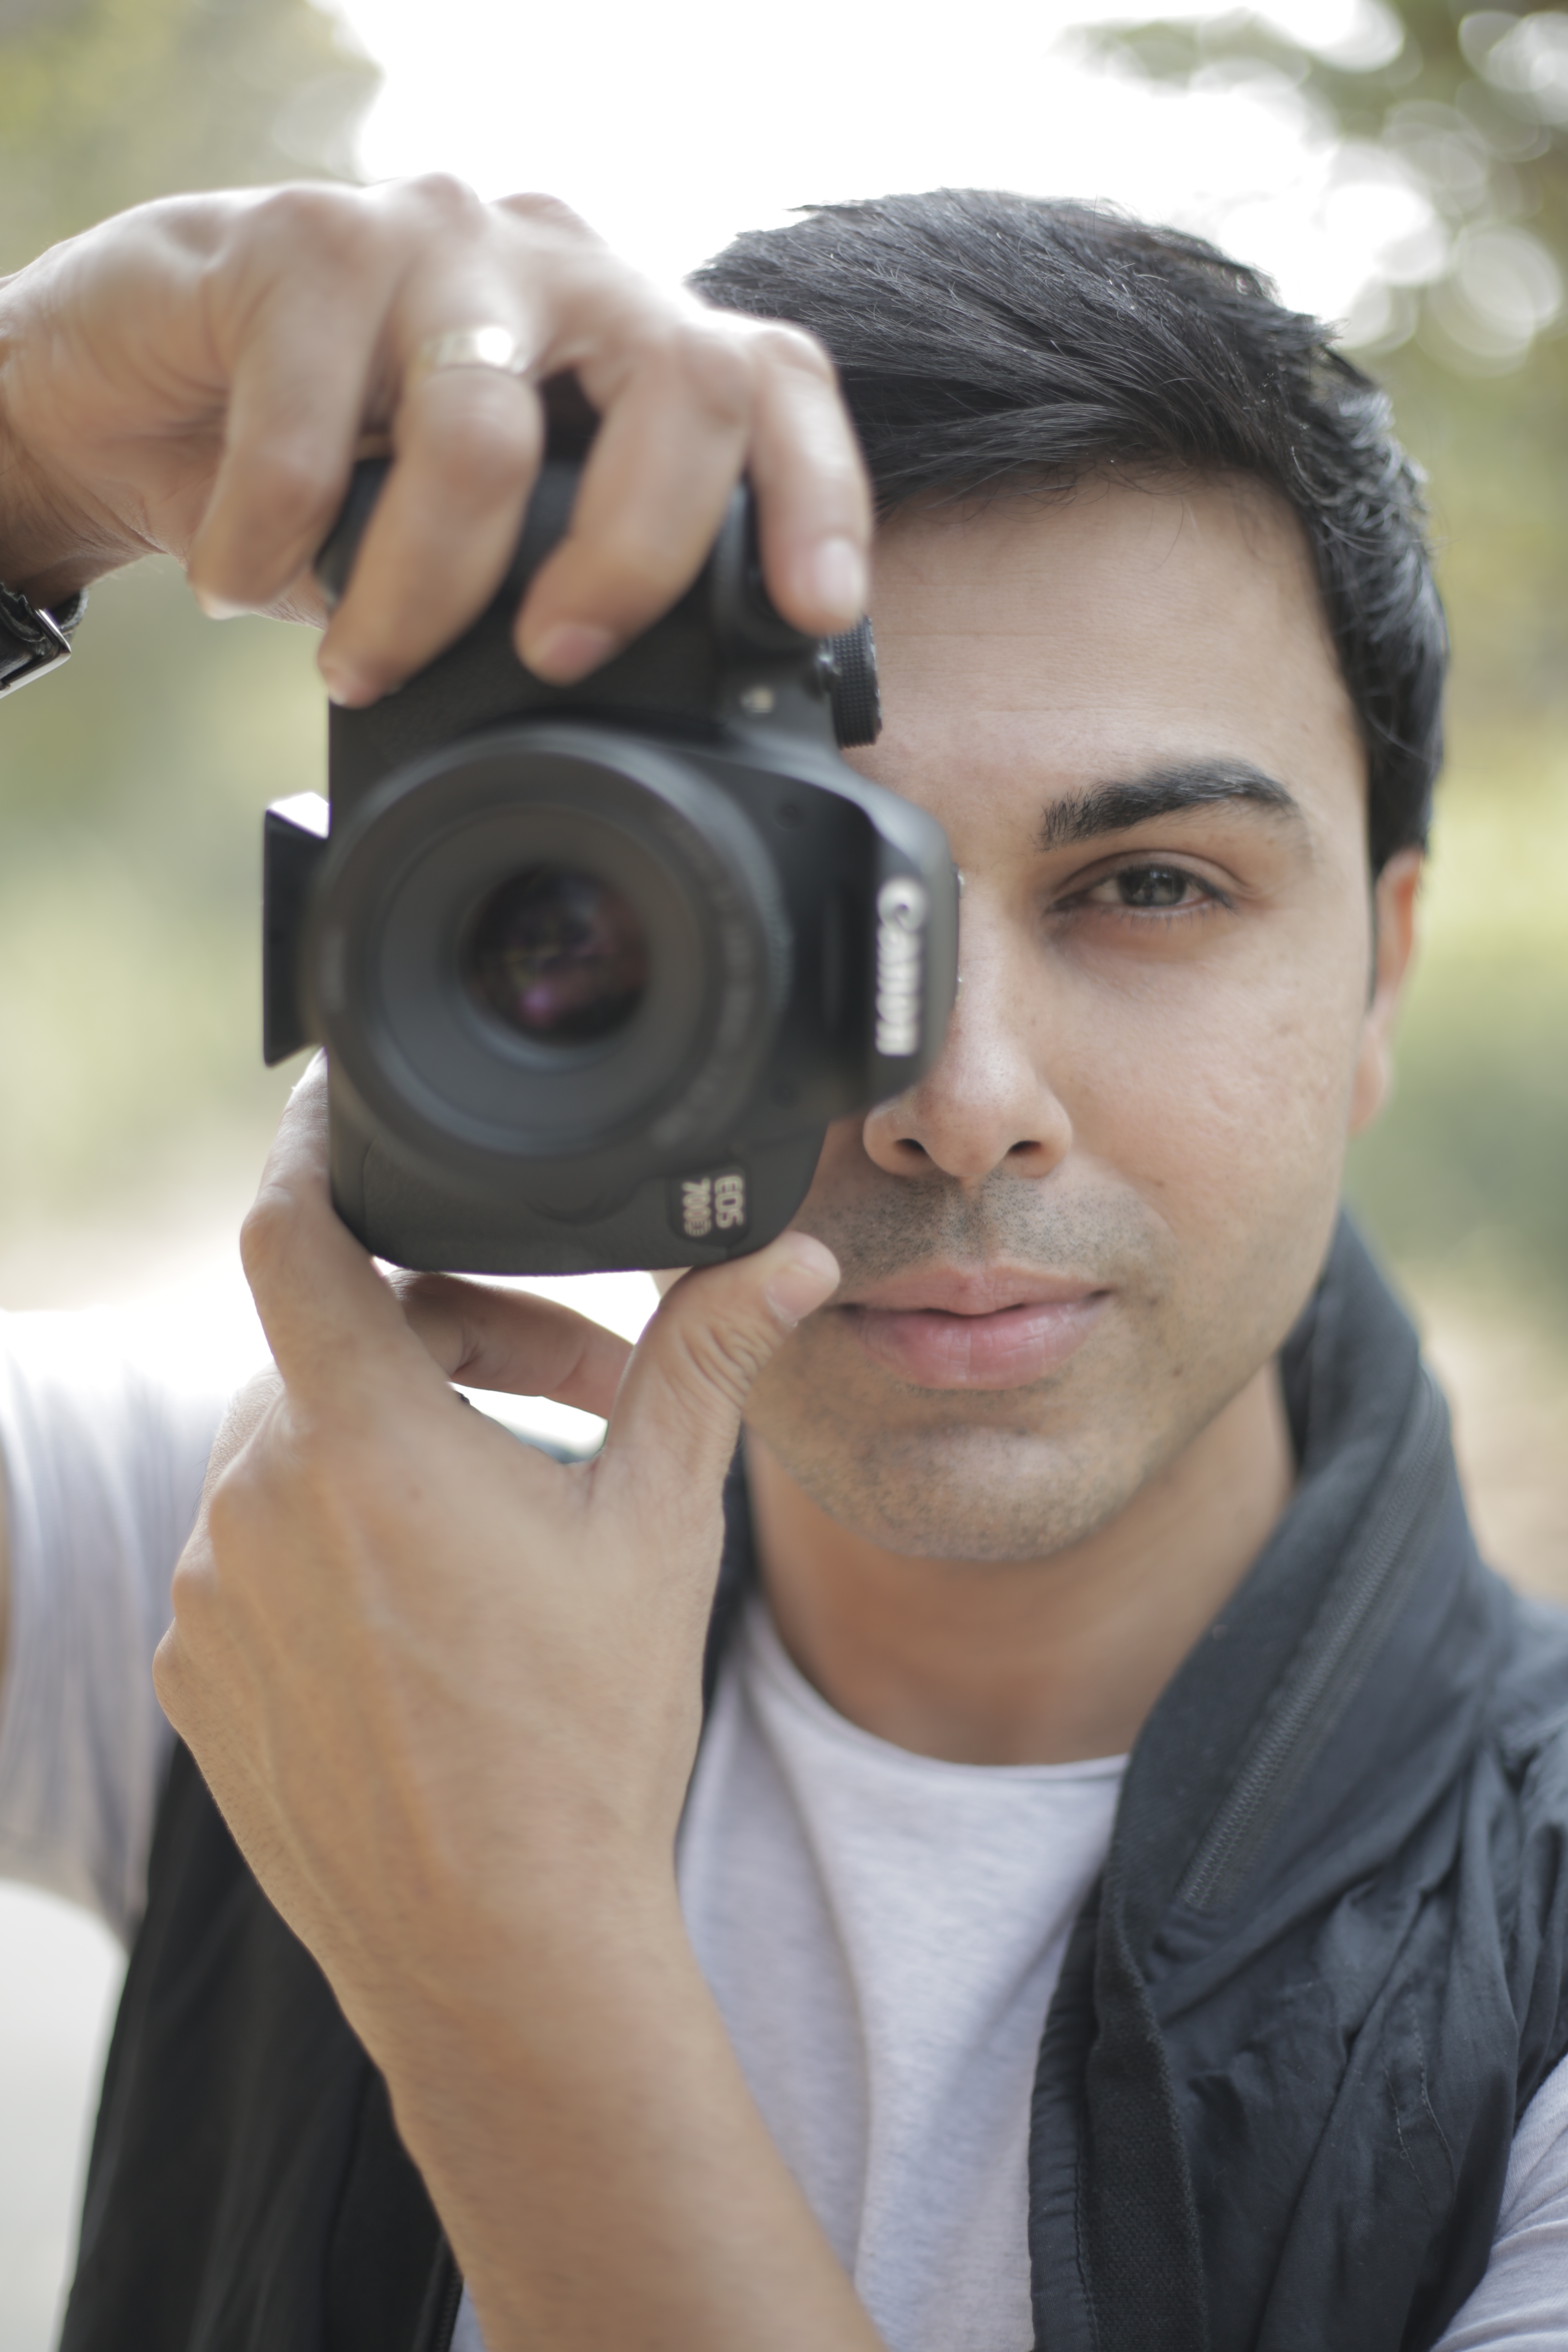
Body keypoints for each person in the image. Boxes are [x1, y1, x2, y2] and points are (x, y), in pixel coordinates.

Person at [0, 176, 1564, 2352]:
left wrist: (509, 1956)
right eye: (813, 893)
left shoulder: (1540, 1961)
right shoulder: (266, 1582)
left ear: (1379, 973)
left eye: (1150, 887)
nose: (963, 1099)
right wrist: (28, 456)